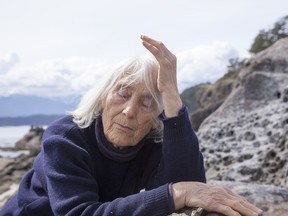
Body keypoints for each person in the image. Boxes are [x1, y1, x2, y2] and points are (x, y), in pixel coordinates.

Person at [0, 35, 263, 216]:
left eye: (148, 103)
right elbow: (78, 212)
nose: (130, 111)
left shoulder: (151, 139)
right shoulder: (65, 138)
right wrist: (176, 193)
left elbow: (192, 185)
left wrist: (171, 95)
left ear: (155, 117)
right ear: (103, 97)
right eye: (123, 94)